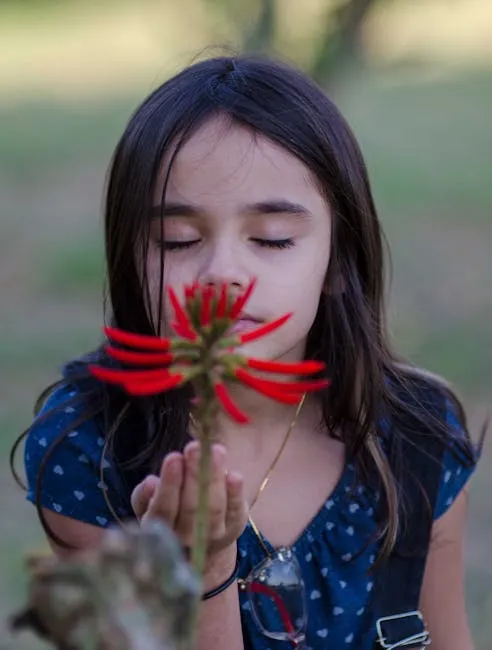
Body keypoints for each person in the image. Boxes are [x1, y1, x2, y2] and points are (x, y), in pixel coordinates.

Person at [13, 55, 481, 650]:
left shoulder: (416, 440)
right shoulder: (91, 454)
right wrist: (200, 576)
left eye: (272, 238)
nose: (222, 274)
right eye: (177, 241)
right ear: (132, 261)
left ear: (338, 260)